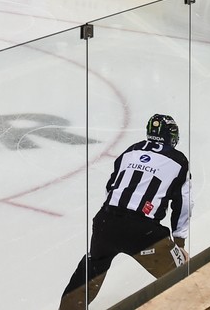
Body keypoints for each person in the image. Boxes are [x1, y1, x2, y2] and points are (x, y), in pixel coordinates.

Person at [61, 114, 193, 309]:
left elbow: (110, 188)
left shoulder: (130, 151)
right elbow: (183, 204)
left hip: (105, 222)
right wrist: (179, 243)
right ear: (172, 136)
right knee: (183, 277)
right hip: (143, 232)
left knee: (89, 275)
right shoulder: (179, 160)